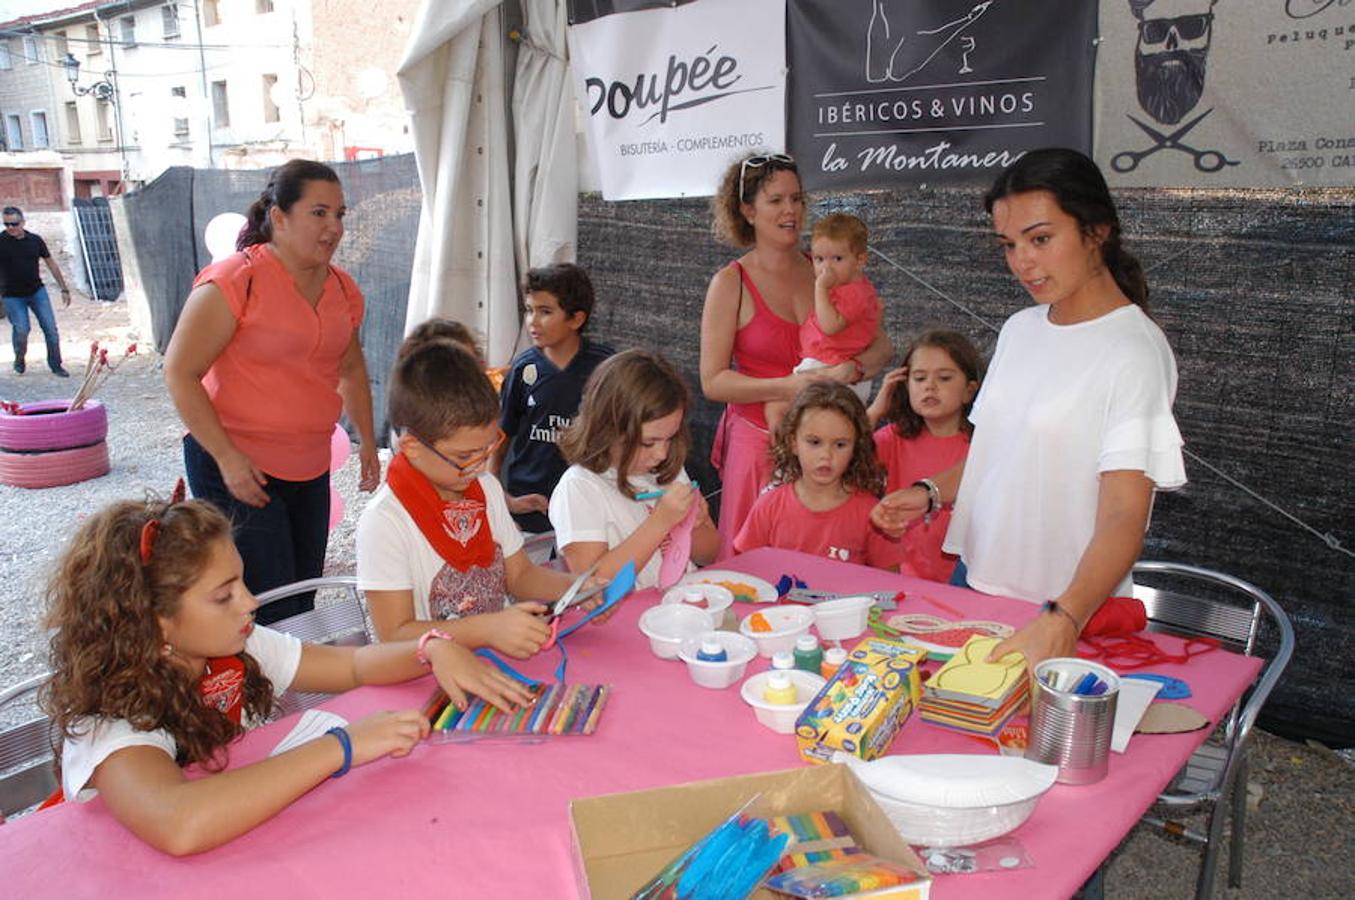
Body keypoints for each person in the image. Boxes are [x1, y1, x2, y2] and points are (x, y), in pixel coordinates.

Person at [41, 492, 533, 856]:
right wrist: (342, 747)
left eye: (242, 582)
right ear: (153, 619)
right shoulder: (111, 717)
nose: (250, 602)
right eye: (223, 594)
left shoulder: (236, 644)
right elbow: (180, 823)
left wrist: (432, 647)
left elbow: (352, 664)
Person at [871, 148, 1185, 669]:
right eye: (1010, 245)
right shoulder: (1021, 330)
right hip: (973, 578)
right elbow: (996, 455)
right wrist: (928, 494)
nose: (1023, 262)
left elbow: (1125, 515)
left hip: (1060, 610)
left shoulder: (1134, 351)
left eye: (1040, 239)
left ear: (1096, 230)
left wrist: (1064, 617)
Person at [164, 160, 380, 625]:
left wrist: (366, 443)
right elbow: (180, 372)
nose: (333, 227)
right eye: (319, 213)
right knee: (264, 602)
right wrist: (226, 458)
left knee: (304, 596)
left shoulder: (343, 288)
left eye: (340, 214)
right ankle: (257, 694)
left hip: (309, 464)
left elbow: (351, 367)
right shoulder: (234, 280)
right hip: (238, 464)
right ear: (278, 217)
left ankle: (295, 695)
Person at [700, 152, 891, 557]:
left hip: (826, 446)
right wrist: (789, 385)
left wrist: (851, 369)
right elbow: (713, 381)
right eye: (776, 200)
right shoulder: (730, 282)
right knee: (751, 563)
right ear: (748, 210)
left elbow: (881, 345)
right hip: (759, 443)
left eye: (797, 198)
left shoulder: (827, 266)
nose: (791, 210)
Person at [357, 339, 591, 656]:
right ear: (412, 447)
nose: (481, 464)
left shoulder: (485, 488)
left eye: (488, 447)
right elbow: (395, 635)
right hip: (425, 677)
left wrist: (579, 588)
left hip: (494, 659)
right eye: (466, 455)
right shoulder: (384, 520)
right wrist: (486, 629)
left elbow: (520, 576)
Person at [549, 350, 720, 589]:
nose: (661, 453)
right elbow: (593, 586)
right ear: (607, 429)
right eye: (648, 443)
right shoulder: (579, 488)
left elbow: (711, 554)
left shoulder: (666, 470)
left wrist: (694, 525)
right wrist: (660, 523)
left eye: (670, 438)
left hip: (678, 609)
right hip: (621, 619)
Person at [494, 263, 614, 535]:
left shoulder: (606, 368)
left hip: (586, 513)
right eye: (529, 310)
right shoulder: (523, 369)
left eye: (545, 312)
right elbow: (499, 442)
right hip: (530, 513)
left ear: (576, 319)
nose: (532, 321)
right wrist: (503, 500)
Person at [734, 382, 896, 568]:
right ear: (793, 442)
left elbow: (889, 581)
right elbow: (746, 571)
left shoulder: (872, 513)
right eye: (815, 442)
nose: (826, 455)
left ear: (856, 447)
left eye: (840, 444)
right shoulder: (768, 506)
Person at [865, 329, 982, 582]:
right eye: (919, 378)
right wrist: (875, 410)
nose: (929, 386)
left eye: (944, 378)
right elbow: (842, 454)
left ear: (969, 391)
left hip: (967, 579)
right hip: (905, 578)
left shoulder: (984, 445)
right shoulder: (893, 438)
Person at [765, 212, 881, 433]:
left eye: (837, 259)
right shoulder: (848, 289)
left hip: (829, 365)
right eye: (819, 259)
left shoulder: (855, 293)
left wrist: (820, 288)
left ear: (860, 260)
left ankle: (784, 451)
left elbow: (830, 326)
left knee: (777, 407)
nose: (826, 269)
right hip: (832, 365)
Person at [0, 206, 72, 377]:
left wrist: (64, 288)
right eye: (6, 224)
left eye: (14, 224)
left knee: (50, 329)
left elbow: (51, 263)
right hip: (12, 295)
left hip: (36, 291)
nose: (10, 228)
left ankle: (56, 365)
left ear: (23, 223)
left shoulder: (35, 240)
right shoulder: (1, 242)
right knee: (22, 329)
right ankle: (19, 358)